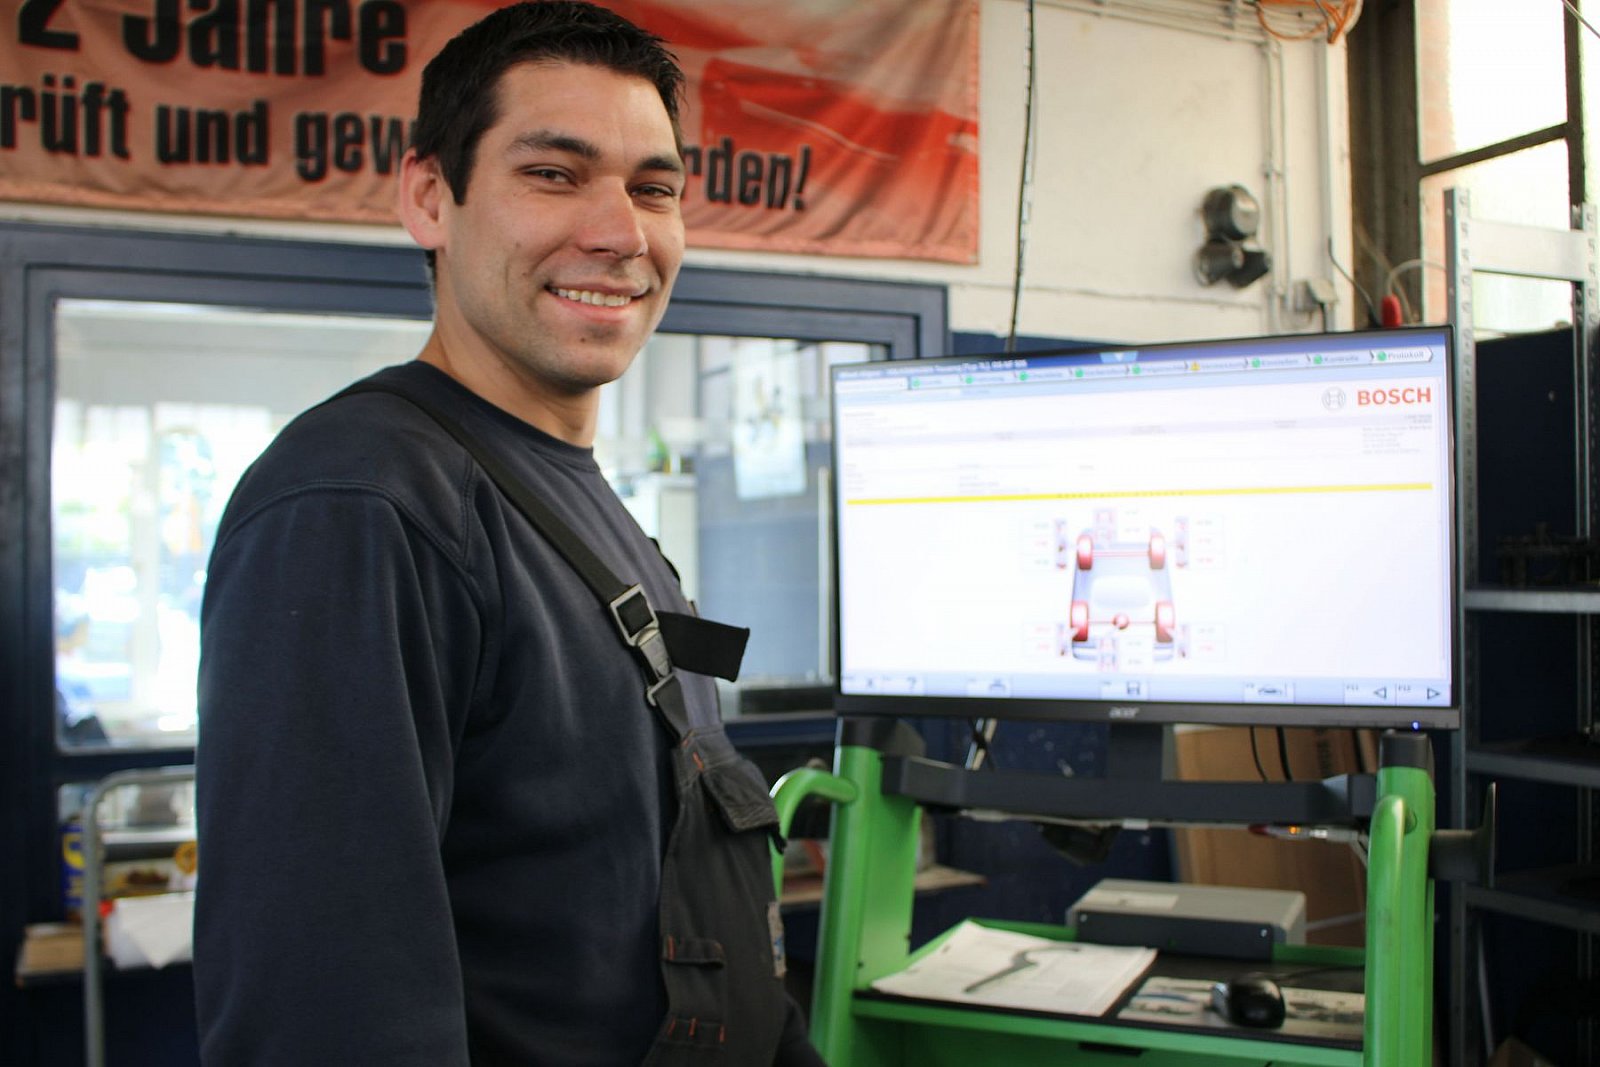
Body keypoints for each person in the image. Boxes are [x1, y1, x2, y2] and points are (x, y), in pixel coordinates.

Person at [193, 4, 824, 1064]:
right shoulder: (361, 504)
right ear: (429, 197)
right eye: (554, 174)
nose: (621, 232)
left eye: (654, 188)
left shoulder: (582, 501)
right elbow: (324, 1015)